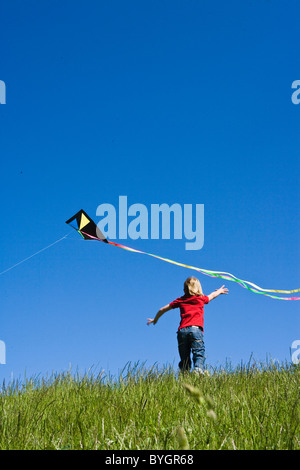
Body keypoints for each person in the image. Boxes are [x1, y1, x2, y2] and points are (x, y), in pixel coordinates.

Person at [147, 277, 228, 374]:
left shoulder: (180, 300)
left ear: (184, 290)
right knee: (199, 352)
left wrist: (155, 319)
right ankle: (197, 370)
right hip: (195, 330)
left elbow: (162, 309)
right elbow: (212, 295)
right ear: (198, 288)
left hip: (182, 332)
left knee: (184, 357)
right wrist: (219, 291)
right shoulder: (201, 299)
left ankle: (184, 375)